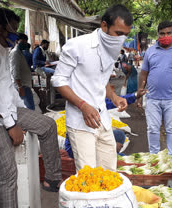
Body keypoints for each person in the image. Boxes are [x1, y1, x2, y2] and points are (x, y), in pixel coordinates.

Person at [51, 4, 132, 172]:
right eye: (118, 33)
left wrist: (114, 97)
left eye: (125, 35)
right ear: (104, 26)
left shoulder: (113, 49)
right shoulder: (76, 46)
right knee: (89, 177)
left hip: (103, 120)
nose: (121, 39)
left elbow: (101, 80)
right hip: (80, 124)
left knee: (110, 173)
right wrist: (83, 105)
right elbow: (58, 80)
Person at [0, 8, 62, 208]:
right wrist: (11, 125)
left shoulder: (4, 50)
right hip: (0, 118)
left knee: (48, 125)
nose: (16, 36)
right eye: (12, 30)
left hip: (10, 109)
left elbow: (7, 87)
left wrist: (24, 113)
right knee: (8, 175)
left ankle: (52, 179)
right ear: (0, 29)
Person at [136, 21, 172, 162]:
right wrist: (139, 94)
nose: (166, 36)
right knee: (152, 129)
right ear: (158, 34)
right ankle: (154, 158)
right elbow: (143, 74)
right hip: (152, 98)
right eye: (162, 33)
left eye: (169, 33)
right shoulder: (151, 51)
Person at [65, 88, 147, 158]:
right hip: (81, 146)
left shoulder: (95, 101)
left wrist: (135, 95)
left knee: (119, 135)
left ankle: (112, 154)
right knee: (121, 157)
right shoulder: (78, 109)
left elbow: (112, 102)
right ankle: (112, 155)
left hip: (95, 136)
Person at [9, 33, 35, 110]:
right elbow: (15, 71)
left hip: (24, 85)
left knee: (29, 107)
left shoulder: (20, 52)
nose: (24, 44)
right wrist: (20, 87)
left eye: (25, 42)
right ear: (16, 41)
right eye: (22, 42)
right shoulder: (15, 53)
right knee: (29, 108)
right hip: (22, 85)